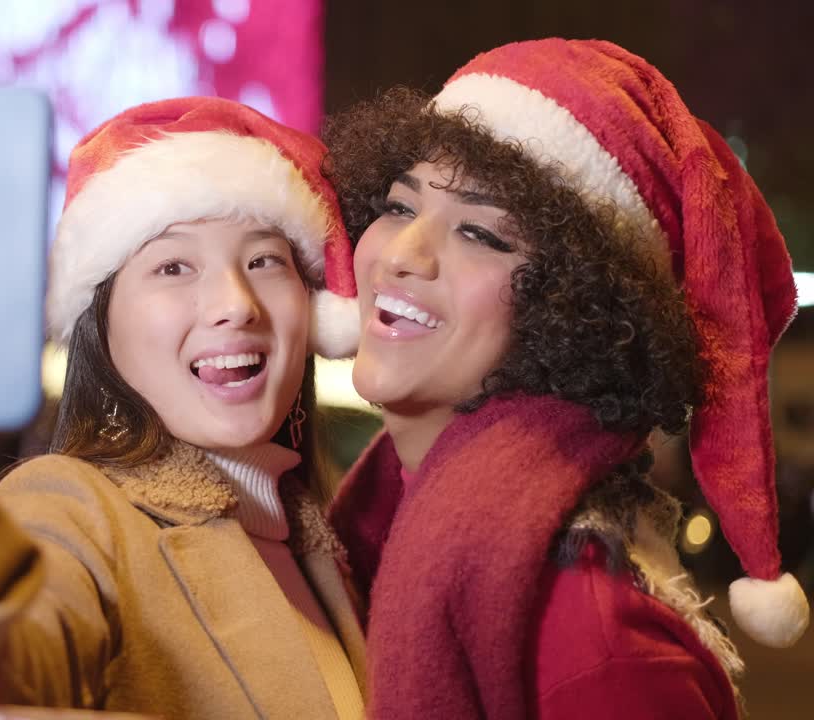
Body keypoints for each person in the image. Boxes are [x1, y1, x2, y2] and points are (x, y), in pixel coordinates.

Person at [0, 97, 367, 718]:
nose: (235, 304)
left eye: (264, 259)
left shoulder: (320, 538)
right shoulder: (68, 509)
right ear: (100, 326)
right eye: (173, 265)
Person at [321, 38, 809, 719]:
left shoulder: (598, 646)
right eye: (400, 207)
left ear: (578, 309)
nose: (401, 255)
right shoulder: (365, 522)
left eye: (482, 235)